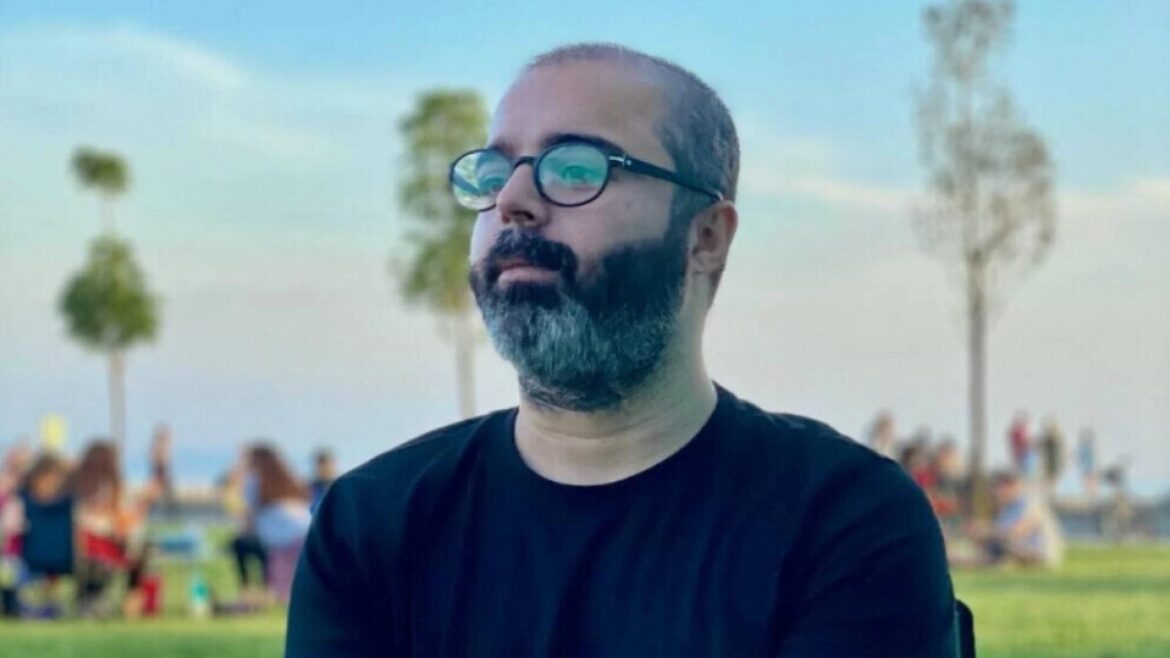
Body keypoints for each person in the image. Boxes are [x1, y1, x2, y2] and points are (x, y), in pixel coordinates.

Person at [287, 43, 957, 657]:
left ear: (705, 237)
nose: (512, 200)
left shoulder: (843, 522)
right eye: (494, 173)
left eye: (577, 168)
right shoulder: (371, 526)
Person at [244, 444, 310, 604]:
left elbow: (249, 516)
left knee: (281, 589)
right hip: (305, 532)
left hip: (281, 540)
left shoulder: (254, 481)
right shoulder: (290, 478)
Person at [969, 471, 1064, 568]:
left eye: (1000, 488)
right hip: (1017, 550)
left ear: (1012, 486)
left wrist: (986, 531)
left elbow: (1016, 532)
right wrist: (980, 533)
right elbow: (1000, 532)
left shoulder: (1031, 504)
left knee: (998, 547)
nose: (996, 493)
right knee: (988, 548)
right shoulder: (1007, 508)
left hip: (1041, 555)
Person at [308, 449, 336, 514]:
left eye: (327, 466)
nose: (324, 469)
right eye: (321, 466)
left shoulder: (339, 488)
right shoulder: (310, 489)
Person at [1077, 427, 1097, 502]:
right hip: (1087, 468)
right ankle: (1089, 494)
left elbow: (1082, 458)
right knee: (1088, 480)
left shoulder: (1087, 447)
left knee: (1089, 480)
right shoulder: (1084, 448)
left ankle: (1091, 494)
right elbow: (1081, 458)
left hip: (1089, 468)